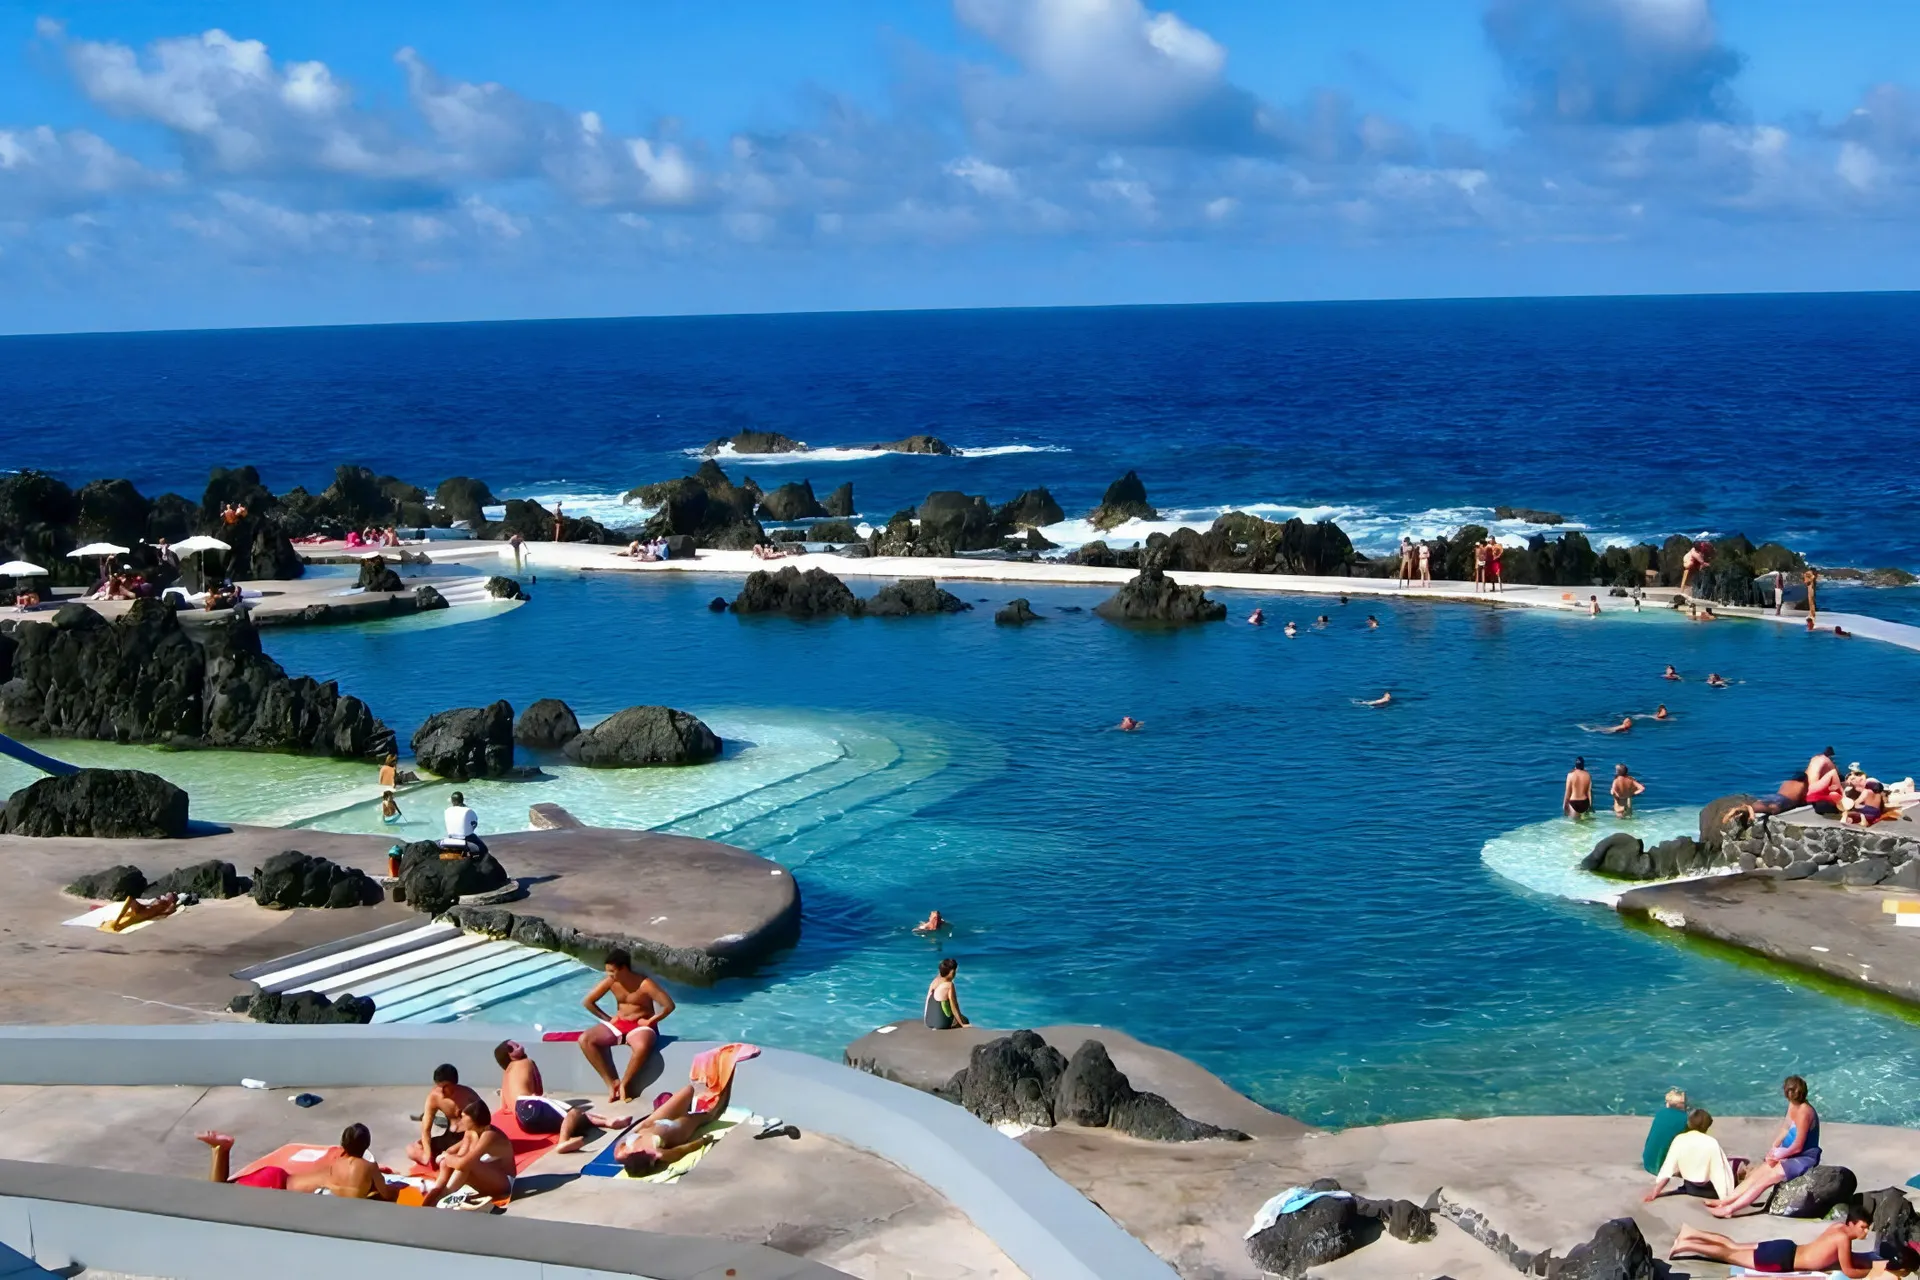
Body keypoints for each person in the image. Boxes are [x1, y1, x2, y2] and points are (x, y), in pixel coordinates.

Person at [1671, 1206, 1905, 1276]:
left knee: (1732, 1245)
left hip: (1785, 1248)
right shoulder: (1843, 1238)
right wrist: (1874, 1271)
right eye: (1863, 1227)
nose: (1865, 1232)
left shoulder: (1837, 1228)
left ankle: (1692, 1232)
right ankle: (1686, 1244)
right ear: (1852, 1224)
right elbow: (1849, 1270)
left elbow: (1836, 1257)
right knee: (1728, 1254)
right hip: (1782, 1259)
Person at [1706, 1074, 1820, 1218]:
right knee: (1756, 1175)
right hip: (1788, 1152)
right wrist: (1774, 1148)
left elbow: (1798, 1146)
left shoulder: (1804, 1112)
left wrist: (1780, 1155)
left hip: (1802, 1157)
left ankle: (1729, 1209)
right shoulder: (1793, 1105)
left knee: (1766, 1179)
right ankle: (1725, 1201)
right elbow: (1785, 1128)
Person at [199, 1123, 399, 1199]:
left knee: (220, 1193)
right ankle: (222, 1149)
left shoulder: (336, 1164)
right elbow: (387, 1194)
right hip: (275, 1184)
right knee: (218, 1195)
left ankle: (221, 1149)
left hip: (278, 1180)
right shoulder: (368, 1168)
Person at [579, 948, 675, 1103]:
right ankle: (612, 1083)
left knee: (642, 1046)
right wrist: (608, 1019)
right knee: (585, 1039)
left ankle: (625, 1083)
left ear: (623, 968)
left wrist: (651, 1021)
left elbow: (669, 1006)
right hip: (619, 1024)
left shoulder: (645, 984)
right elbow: (588, 1002)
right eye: (608, 971)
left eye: (612, 971)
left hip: (641, 1026)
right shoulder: (611, 982)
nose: (609, 975)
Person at [494, 1040, 621, 1155]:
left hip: (523, 1122)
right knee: (573, 1112)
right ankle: (563, 1142)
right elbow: (538, 1091)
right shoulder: (527, 1062)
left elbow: (504, 1107)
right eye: (515, 1046)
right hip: (530, 1102)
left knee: (568, 1117)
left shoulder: (505, 1076)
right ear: (510, 1055)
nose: (520, 1045)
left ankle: (607, 1121)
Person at [613, 1073, 734, 1179]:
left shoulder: (620, 1153)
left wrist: (651, 1118)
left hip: (655, 1121)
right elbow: (682, 1150)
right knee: (710, 1115)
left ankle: (685, 1108)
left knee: (688, 1090)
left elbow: (637, 1128)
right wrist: (703, 1141)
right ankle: (719, 1091)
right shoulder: (658, 1154)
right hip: (677, 1130)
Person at [422, 1100, 516, 1207]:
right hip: (486, 1174)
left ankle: (445, 1195)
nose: (464, 1126)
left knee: (468, 1164)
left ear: (481, 1126)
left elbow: (463, 1163)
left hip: (504, 1182)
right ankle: (434, 1194)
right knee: (447, 1164)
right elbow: (453, 1153)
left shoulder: (489, 1135)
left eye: (469, 1125)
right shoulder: (471, 1131)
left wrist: (447, 1157)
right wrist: (446, 1158)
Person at [1645, 1107, 1736, 1201]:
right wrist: (1724, 1199)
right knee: (1736, 1164)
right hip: (1709, 1191)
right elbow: (1718, 1174)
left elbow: (1667, 1169)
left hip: (1691, 1188)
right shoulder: (1711, 1142)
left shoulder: (1679, 1139)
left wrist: (1654, 1193)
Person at [404, 1063, 485, 1167]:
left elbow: (482, 1126)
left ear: (455, 1083)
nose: (441, 1091)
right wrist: (427, 1155)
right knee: (411, 1149)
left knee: (471, 1151)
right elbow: (426, 1129)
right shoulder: (434, 1097)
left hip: (465, 1139)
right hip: (447, 1137)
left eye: (446, 1086)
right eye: (439, 1086)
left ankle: (449, 1161)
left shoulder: (469, 1096)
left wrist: (458, 1148)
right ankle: (437, 1163)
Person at [1642, 1088, 1691, 1174]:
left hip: (1649, 1163)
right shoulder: (1686, 1119)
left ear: (1667, 1104)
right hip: (1666, 1168)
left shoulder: (1660, 1114)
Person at [925, 956, 968, 1029]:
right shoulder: (949, 985)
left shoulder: (934, 981)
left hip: (928, 1021)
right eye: (954, 971)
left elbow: (927, 1001)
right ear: (952, 972)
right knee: (965, 1019)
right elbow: (954, 1006)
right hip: (942, 1024)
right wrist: (962, 1024)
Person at [102, 892, 179, 933]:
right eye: (166, 894)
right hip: (145, 908)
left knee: (130, 900)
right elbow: (152, 904)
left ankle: (116, 923)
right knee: (131, 902)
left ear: (172, 900)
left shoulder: (167, 905)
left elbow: (169, 911)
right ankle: (116, 922)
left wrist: (171, 904)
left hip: (145, 911)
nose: (165, 895)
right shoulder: (163, 902)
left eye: (169, 895)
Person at [442, 791, 486, 857]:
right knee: (484, 849)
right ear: (462, 800)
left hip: (451, 837)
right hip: (466, 838)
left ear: (452, 801)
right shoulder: (468, 810)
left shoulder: (447, 810)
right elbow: (475, 823)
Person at [1806, 748, 1843, 814]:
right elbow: (1836, 774)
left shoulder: (1814, 759)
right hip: (1819, 798)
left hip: (1810, 794)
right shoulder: (1827, 761)